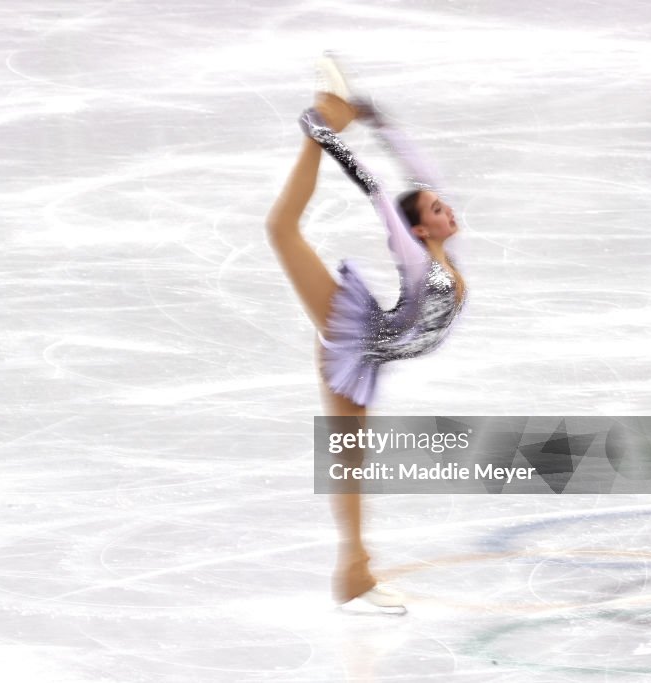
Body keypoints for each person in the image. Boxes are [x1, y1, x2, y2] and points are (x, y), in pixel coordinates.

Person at [265, 60, 466, 613]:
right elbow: (379, 191)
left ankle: (355, 574)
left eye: (441, 205)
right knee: (281, 230)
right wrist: (326, 134)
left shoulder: (447, 254)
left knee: (351, 458)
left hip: (372, 353)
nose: (447, 209)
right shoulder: (415, 254)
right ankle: (316, 114)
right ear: (419, 229)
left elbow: (417, 172)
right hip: (355, 339)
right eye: (435, 210)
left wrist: (381, 121)